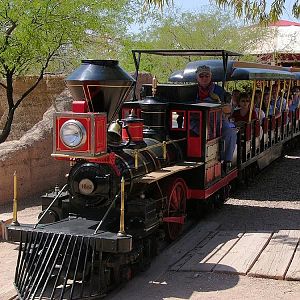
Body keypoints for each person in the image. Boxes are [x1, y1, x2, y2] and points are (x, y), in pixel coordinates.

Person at [195, 65, 236, 172]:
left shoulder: (219, 90)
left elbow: (228, 110)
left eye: (207, 75)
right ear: (197, 77)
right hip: (196, 120)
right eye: (201, 75)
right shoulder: (191, 90)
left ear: (211, 76)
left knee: (230, 132)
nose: (204, 78)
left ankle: (227, 161)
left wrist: (219, 103)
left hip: (217, 120)